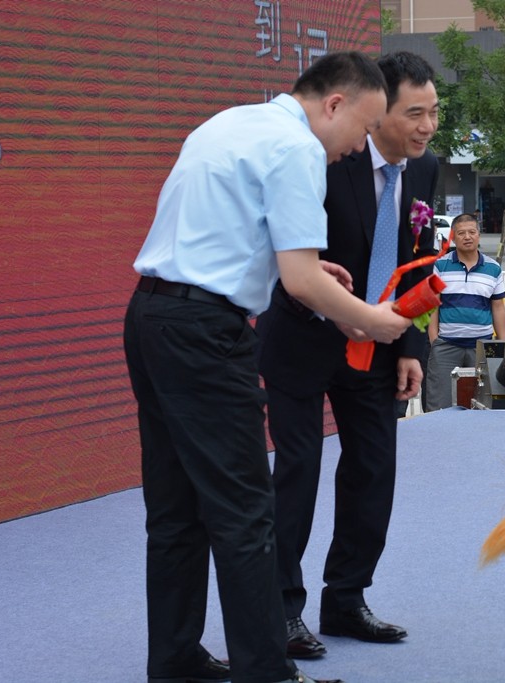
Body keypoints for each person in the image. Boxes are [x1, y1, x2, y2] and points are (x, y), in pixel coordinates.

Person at [123, 51, 410, 683]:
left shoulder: (229, 123)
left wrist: (306, 273)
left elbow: (242, 243)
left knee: (176, 510)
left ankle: (175, 659)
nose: (357, 150)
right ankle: (267, 673)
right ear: (333, 104)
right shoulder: (297, 149)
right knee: (246, 512)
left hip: (152, 319)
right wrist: (370, 318)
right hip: (205, 337)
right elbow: (302, 279)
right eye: (362, 131)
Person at [254, 51, 440, 655]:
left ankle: (347, 598)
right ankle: (281, 610)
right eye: (414, 113)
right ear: (377, 110)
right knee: (299, 472)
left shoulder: (425, 169)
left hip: (379, 349)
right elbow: (291, 260)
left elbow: (416, 251)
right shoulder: (328, 155)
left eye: (434, 113)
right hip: (304, 337)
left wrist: (409, 342)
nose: (426, 126)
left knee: (372, 470)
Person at [425, 214, 505, 411]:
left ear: (479, 235)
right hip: (446, 346)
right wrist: (434, 339)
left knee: (484, 405)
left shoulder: (493, 269)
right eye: (461, 233)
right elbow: (432, 305)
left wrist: (502, 344)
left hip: (481, 348)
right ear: (453, 237)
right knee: (439, 405)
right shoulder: (440, 266)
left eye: (472, 232)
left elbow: (498, 307)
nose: (467, 237)